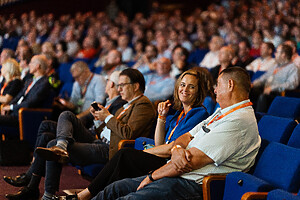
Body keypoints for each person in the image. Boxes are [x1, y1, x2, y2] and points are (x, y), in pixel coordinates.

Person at [90, 66, 261, 200]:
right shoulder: (222, 112)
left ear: (230, 85)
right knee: (115, 188)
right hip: (178, 173)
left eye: (218, 85)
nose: (215, 90)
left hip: (193, 183)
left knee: (127, 197)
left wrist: (152, 177)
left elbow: (191, 160)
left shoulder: (238, 121)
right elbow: (186, 137)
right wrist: (177, 149)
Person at [58, 69, 211, 200]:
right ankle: (90, 193)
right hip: (163, 158)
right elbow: (160, 144)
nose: (185, 89)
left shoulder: (198, 113)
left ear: (198, 91)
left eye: (191, 87)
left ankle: (86, 194)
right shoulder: (178, 114)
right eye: (183, 85)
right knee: (122, 166)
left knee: (125, 154)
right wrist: (162, 118)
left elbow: (172, 147)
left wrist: (142, 152)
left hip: (172, 165)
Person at [6, 68, 156, 200]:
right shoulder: (125, 106)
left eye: (122, 85)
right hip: (99, 141)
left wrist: (107, 117)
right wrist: (98, 120)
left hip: (109, 150)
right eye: (118, 85)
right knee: (66, 115)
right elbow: (108, 130)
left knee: (50, 143)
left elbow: (127, 133)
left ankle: (48, 194)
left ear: (136, 86)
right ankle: (61, 145)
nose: (120, 89)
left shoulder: (143, 105)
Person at [0, 55, 51, 130]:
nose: (29, 64)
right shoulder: (29, 81)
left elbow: (30, 103)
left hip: (26, 116)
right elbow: (18, 96)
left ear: (38, 66)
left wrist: (11, 107)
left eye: (31, 62)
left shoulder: (44, 83)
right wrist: (6, 107)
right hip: (15, 113)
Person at [252, 44, 300, 112]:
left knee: (263, 97)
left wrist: (272, 88)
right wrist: (253, 84)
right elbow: (265, 77)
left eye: (277, 52)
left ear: (283, 54)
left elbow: (291, 84)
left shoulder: (293, 68)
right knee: (250, 91)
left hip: (279, 95)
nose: (275, 54)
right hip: (266, 91)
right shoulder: (276, 66)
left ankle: (260, 119)